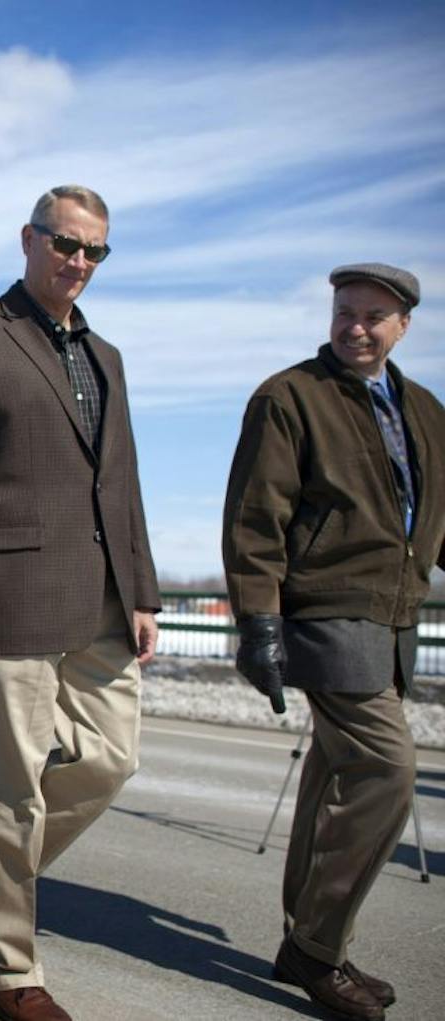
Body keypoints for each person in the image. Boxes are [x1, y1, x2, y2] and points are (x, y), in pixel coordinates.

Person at [0, 185, 160, 1021]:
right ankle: (9, 968)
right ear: (29, 239)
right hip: (9, 595)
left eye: (94, 251)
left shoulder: (107, 356)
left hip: (100, 599)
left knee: (112, 758)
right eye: (65, 244)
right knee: (9, 786)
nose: (79, 262)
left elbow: (119, 484)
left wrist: (144, 591)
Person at [223, 263, 443, 1021]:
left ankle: (301, 938)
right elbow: (257, 516)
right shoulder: (290, 397)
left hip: (395, 615)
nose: (356, 326)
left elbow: (434, 514)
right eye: (345, 312)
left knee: (332, 774)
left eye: (374, 316)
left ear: (403, 325)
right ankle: (320, 949)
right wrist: (259, 621)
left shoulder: (425, 410)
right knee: (387, 768)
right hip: (325, 607)